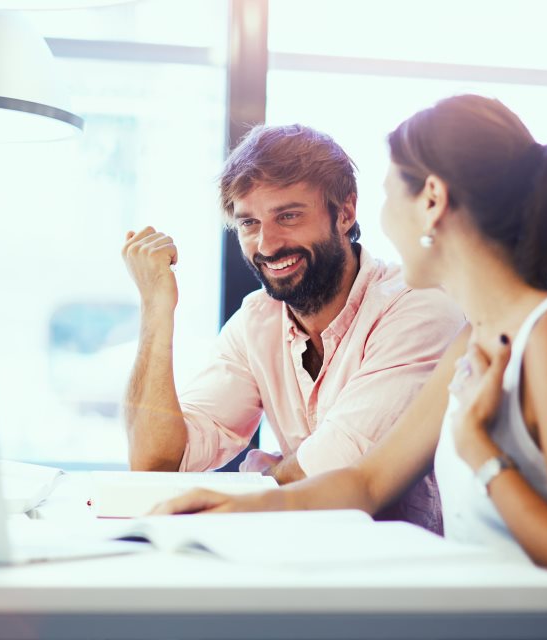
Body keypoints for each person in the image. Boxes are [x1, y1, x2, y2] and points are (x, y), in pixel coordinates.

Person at [153, 95, 547, 639]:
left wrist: (486, 458)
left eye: (386, 196)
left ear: (431, 201)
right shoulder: (474, 340)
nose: (381, 221)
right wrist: (243, 509)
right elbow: (366, 481)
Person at [121, 124, 464, 533]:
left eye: (288, 216)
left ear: (346, 212)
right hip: (307, 560)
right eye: (249, 223)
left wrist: (260, 483)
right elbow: (157, 462)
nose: (267, 245)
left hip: (411, 574)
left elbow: (334, 469)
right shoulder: (257, 321)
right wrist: (157, 309)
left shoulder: (416, 305)